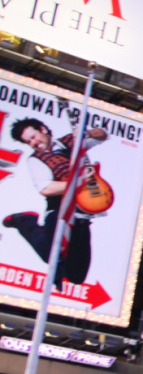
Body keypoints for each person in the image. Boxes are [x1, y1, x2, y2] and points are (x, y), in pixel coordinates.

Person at [4, 117, 108, 286]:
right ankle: (25, 221)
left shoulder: (71, 141)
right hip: (59, 212)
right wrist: (78, 181)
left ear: (43, 129)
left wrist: (87, 133)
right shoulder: (35, 159)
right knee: (51, 254)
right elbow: (46, 188)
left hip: (82, 216)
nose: (34, 142)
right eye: (28, 141)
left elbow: (102, 135)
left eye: (33, 136)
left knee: (76, 276)